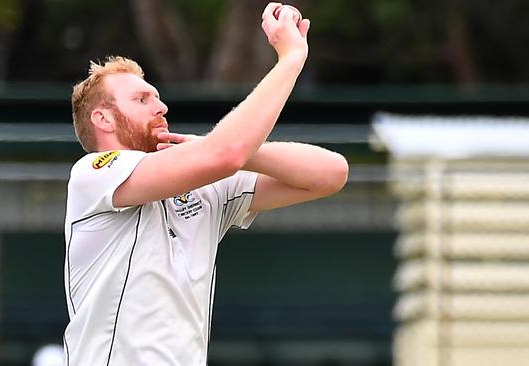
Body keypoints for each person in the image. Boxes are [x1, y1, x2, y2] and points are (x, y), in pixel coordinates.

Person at [63, 3, 348, 365]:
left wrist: (242, 154)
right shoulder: (94, 172)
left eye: (157, 97)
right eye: (141, 99)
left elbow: (330, 174)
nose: (161, 107)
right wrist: (290, 60)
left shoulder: (206, 185)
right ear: (102, 118)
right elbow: (225, 153)